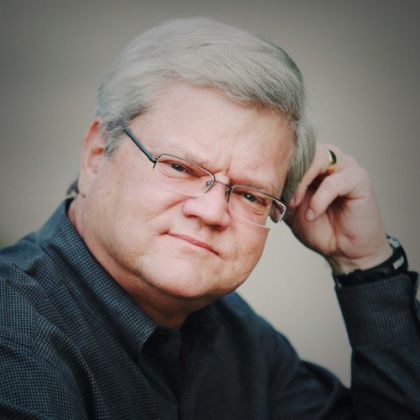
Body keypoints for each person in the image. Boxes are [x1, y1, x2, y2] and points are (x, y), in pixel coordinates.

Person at [1, 17, 419, 419]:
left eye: (251, 194)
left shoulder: (239, 339)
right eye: (179, 167)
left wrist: (364, 264)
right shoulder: (14, 329)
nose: (212, 211)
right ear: (96, 155)